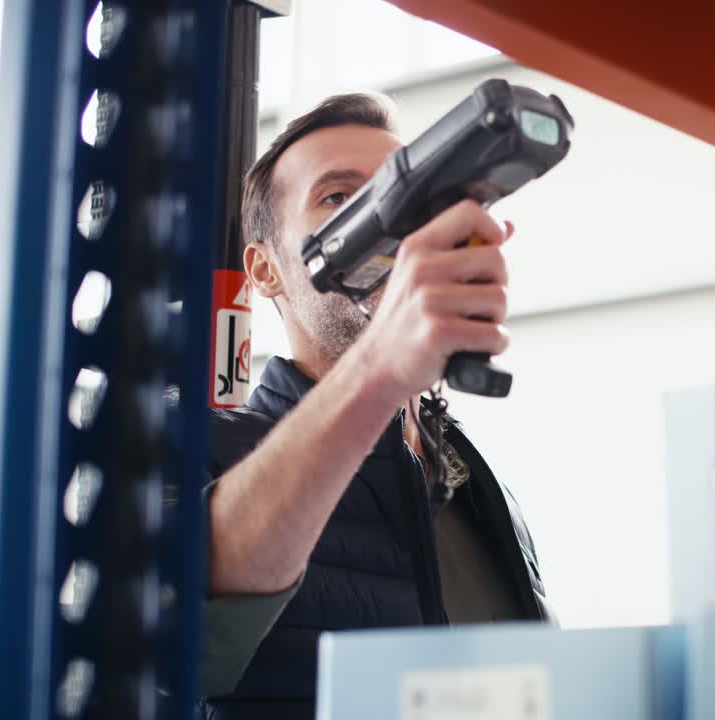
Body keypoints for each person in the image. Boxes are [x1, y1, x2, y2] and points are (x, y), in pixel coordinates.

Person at [199, 93, 552, 719]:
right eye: (338, 198)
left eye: (408, 196)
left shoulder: (470, 477)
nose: (389, 224)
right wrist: (381, 368)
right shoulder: (211, 454)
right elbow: (179, 641)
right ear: (266, 271)